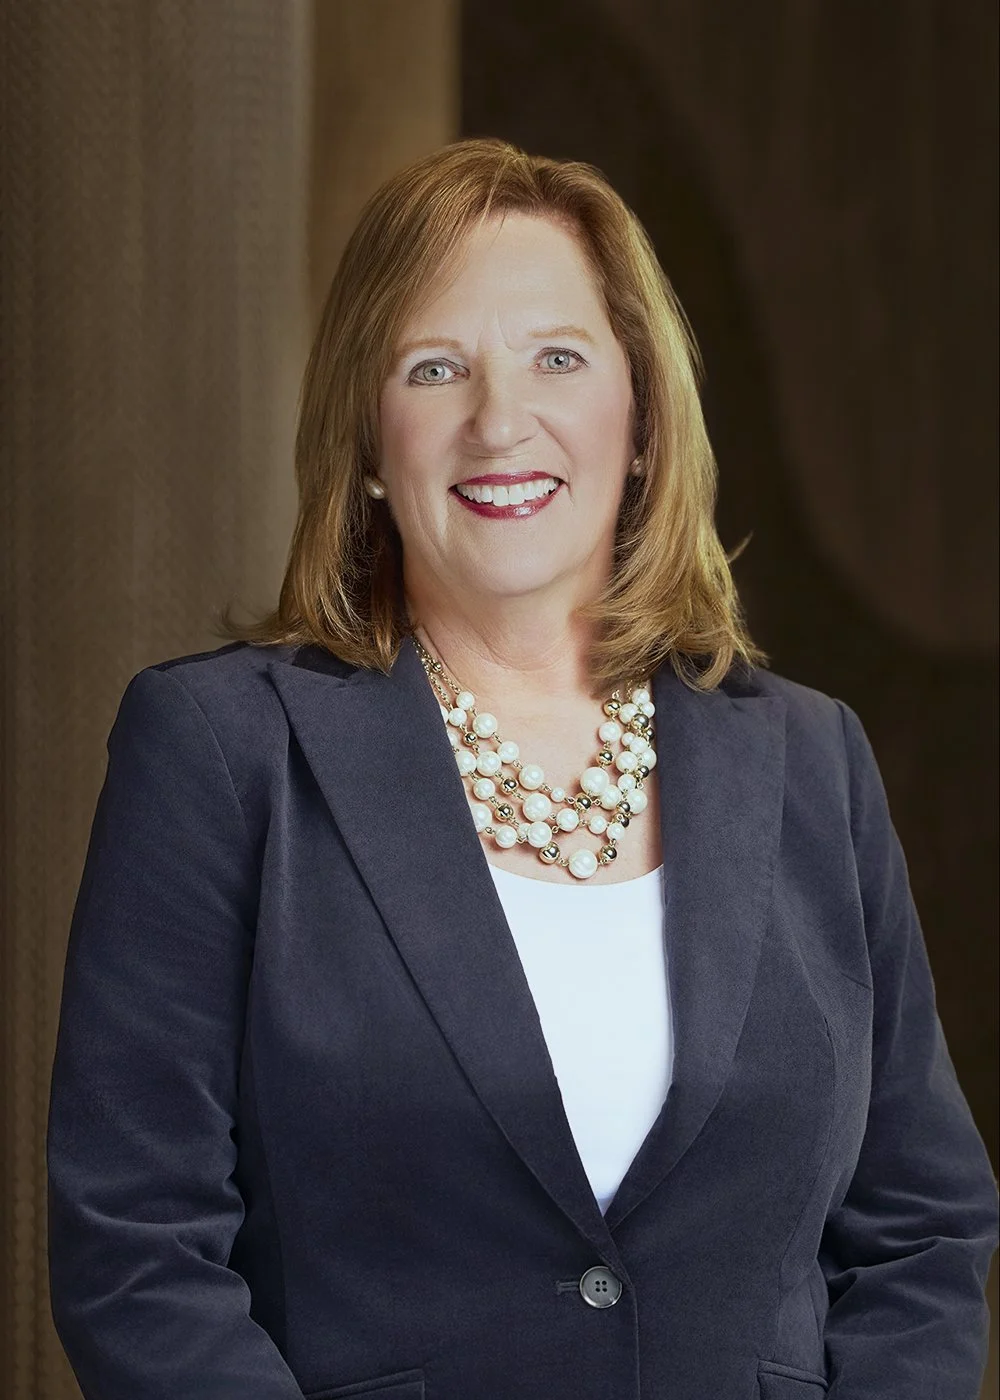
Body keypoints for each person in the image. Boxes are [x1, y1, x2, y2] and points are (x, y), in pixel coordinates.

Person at [47, 138, 998, 1400]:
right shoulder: (222, 751)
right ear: (369, 441)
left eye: (557, 357)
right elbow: (136, 1243)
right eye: (435, 368)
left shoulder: (812, 759)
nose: (499, 421)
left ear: (640, 419)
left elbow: (921, 1229)